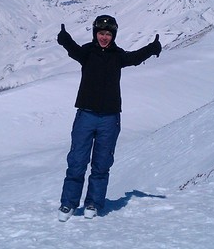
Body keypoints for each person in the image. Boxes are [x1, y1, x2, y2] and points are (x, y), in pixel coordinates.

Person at [56, 15, 161, 221]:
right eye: (101, 33)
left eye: (108, 34)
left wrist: (152, 47)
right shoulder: (87, 52)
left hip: (110, 118)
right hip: (86, 114)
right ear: (95, 33)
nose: (104, 37)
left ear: (114, 36)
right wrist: (64, 38)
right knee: (77, 161)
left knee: (102, 164)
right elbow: (73, 49)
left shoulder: (117, 55)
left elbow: (135, 58)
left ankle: (93, 203)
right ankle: (68, 204)